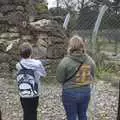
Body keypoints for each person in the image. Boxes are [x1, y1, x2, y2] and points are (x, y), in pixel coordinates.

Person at [56, 35, 96, 120]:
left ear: (70, 46)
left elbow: (59, 79)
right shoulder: (90, 60)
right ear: (82, 46)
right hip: (85, 92)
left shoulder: (65, 62)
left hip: (69, 93)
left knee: (71, 116)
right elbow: (93, 75)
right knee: (83, 115)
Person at [16, 42, 46, 120]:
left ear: (20, 54)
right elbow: (44, 74)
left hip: (22, 93)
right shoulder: (37, 64)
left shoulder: (18, 65)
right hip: (34, 93)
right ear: (31, 52)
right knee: (33, 112)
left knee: (26, 112)